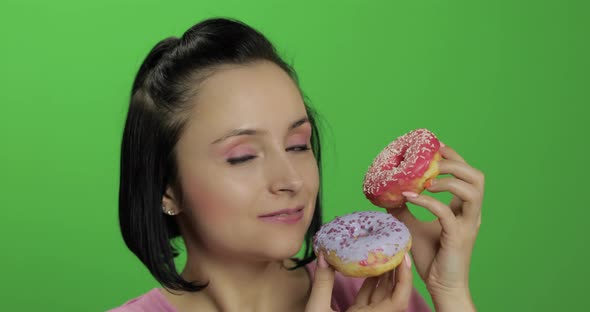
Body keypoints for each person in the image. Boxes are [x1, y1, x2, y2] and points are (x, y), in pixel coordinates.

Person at [109, 17, 483, 312]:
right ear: (167, 187)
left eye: (298, 145)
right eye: (242, 156)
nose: (291, 180)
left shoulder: (375, 297)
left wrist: (449, 292)